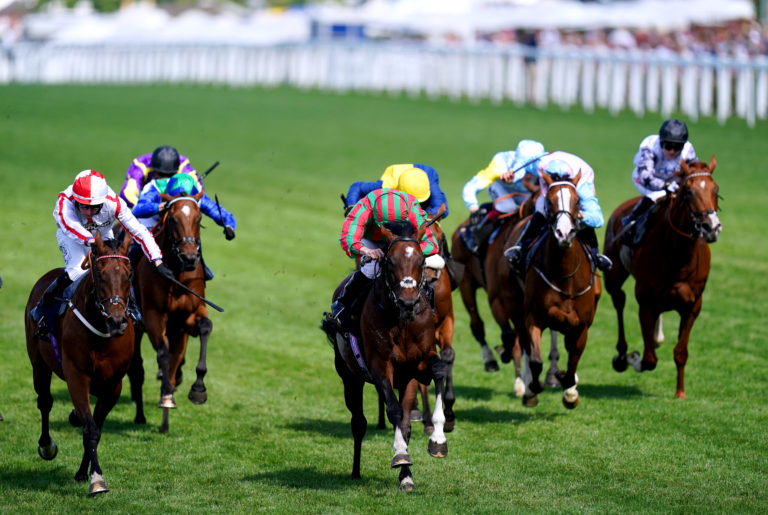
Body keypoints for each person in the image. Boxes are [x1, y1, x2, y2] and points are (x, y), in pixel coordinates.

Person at [30, 169, 174, 338]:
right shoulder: (64, 202)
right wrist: (91, 242)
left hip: (103, 234)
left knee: (117, 270)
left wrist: (157, 260)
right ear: (76, 200)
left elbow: (139, 231)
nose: (89, 213)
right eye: (84, 207)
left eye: (94, 208)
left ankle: (132, 308)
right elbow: (70, 226)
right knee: (77, 271)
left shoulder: (114, 202)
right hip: (72, 236)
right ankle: (43, 309)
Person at [325, 188, 444, 332]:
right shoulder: (364, 207)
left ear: (405, 214)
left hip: (403, 242)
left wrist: (407, 251)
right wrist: (366, 251)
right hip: (372, 240)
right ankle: (343, 305)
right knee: (370, 270)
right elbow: (348, 238)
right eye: (386, 225)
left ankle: (429, 307)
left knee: (412, 268)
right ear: (375, 214)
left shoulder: (412, 207)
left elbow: (431, 244)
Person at [504, 151, 613, 272]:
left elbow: (598, 220)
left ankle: (595, 255)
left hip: (578, 186)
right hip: (552, 190)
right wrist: (513, 174)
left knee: (581, 220)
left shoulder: (583, 186)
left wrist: (582, 215)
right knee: (540, 212)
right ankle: (521, 248)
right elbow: (526, 162)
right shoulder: (542, 164)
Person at [132, 173, 236, 280]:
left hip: (180, 223)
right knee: (140, 241)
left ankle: (202, 266)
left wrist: (229, 225)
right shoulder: (155, 187)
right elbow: (137, 209)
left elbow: (214, 209)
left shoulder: (195, 193)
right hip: (152, 218)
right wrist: (158, 206)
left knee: (191, 235)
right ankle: (130, 269)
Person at [458, 139, 546, 254]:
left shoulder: (546, 168)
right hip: (501, 188)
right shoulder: (499, 166)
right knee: (507, 206)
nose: (529, 175)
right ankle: (475, 235)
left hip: (525, 193)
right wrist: (473, 208)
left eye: (532, 170)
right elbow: (470, 187)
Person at [622, 119, 698, 247]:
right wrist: (665, 186)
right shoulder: (649, 146)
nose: (672, 151)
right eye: (668, 145)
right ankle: (632, 219)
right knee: (657, 196)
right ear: (661, 142)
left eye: (677, 147)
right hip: (644, 180)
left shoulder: (688, 150)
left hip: (672, 181)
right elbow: (646, 176)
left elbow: (694, 173)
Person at [344, 164, 449, 219]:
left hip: (426, 175)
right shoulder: (386, 186)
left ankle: (446, 255)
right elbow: (357, 187)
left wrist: (426, 216)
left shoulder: (432, 187)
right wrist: (352, 206)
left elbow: (443, 212)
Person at [119, 145, 203, 209]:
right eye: (161, 174)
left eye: (170, 175)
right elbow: (127, 194)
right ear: (154, 170)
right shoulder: (141, 165)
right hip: (146, 202)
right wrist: (148, 207)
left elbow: (200, 194)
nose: (165, 179)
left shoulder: (183, 167)